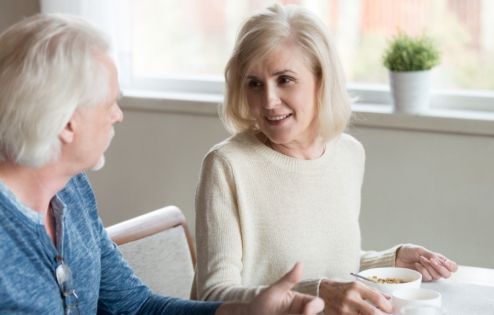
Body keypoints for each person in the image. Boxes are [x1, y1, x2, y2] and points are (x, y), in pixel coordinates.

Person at [0, 13, 325, 315]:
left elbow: (135, 307)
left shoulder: (71, 189)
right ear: (66, 123)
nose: (118, 115)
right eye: (110, 103)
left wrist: (246, 311)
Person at [193, 4, 458, 315]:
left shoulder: (349, 154)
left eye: (285, 80)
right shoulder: (227, 166)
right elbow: (212, 297)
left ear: (322, 79)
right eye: (254, 83)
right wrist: (315, 293)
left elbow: (331, 260)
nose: (268, 101)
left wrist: (392, 260)